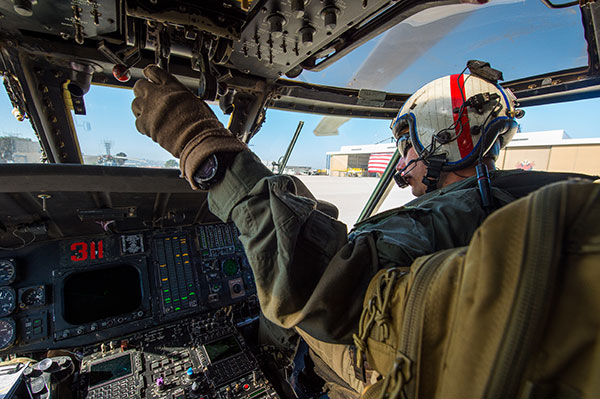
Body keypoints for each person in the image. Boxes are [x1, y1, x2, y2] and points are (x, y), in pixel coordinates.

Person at [131, 65, 595, 398]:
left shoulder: (448, 217)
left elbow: (320, 291)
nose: (404, 161)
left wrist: (199, 144)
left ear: (443, 140)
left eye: (407, 145)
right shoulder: (543, 197)